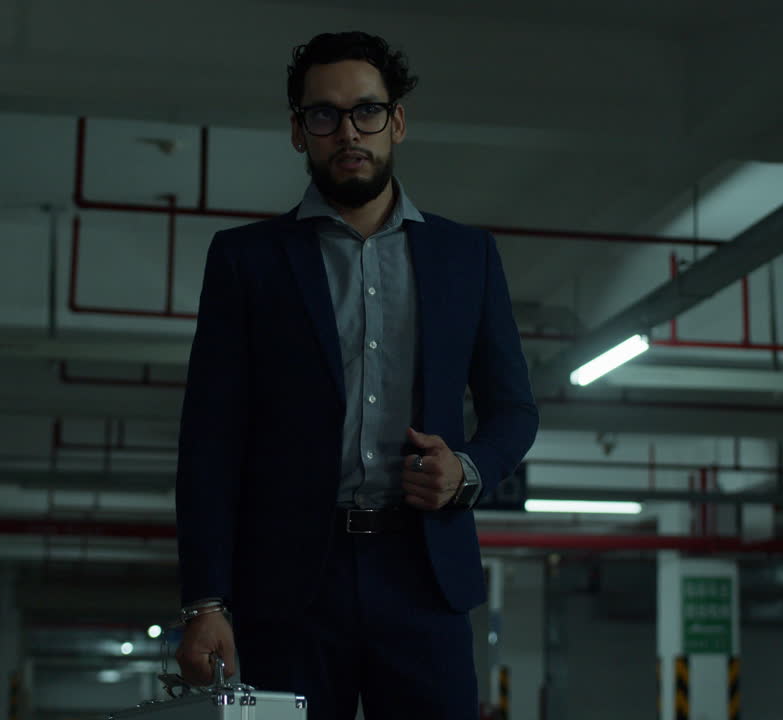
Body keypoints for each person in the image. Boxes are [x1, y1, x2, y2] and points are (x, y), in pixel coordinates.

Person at [172, 31, 539, 720]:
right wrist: (206, 602)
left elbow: (514, 410)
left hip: (424, 575)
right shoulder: (246, 261)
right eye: (324, 115)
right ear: (297, 130)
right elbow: (209, 442)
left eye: (367, 112)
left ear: (396, 121)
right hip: (289, 585)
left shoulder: (467, 257)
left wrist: (468, 468)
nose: (349, 131)